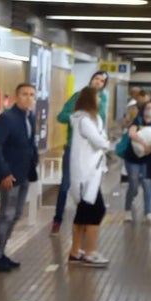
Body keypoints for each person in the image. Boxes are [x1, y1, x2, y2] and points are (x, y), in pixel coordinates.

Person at [0, 83, 39, 272]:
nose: (28, 98)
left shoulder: (30, 117)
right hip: (9, 175)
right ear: (17, 97)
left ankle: (1, 253)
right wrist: (4, 172)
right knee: (6, 214)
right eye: (24, 94)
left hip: (24, 173)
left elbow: (29, 143)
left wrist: (35, 160)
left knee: (16, 214)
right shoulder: (7, 118)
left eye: (32, 94)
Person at [52, 70, 108, 235]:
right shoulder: (78, 97)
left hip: (91, 151)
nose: (98, 82)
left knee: (89, 187)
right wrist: (76, 117)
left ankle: (84, 219)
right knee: (66, 185)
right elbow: (61, 116)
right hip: (74, 147)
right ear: (91, 80)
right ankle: (57, 219)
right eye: (96, 78)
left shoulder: (102, 100)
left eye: (102, 81)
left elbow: (100, 123)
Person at [67, 86, 113, 267]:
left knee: (83, 213)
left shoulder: (89, 119)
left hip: (89, 172)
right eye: (97, 98)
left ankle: (75, 251)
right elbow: (100, 140)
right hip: (85, 173)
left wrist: (104, 141)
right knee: (96, 211)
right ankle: (89, 252)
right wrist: (107, 142)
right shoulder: (84, 120)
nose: (99, 101)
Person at [123, 101, 151, 223]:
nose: (150, 111)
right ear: (143, 109)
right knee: (134, 185)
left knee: (148, 186)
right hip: (133, 159)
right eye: (148, 108)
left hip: (148, 160)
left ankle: (148, 213)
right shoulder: (138, 121)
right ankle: (127, 209)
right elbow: (132, 134)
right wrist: (145, 143)